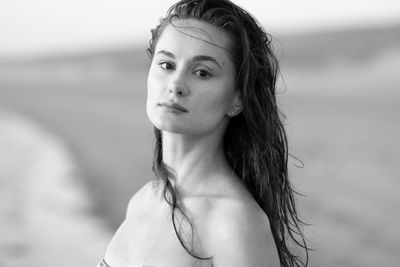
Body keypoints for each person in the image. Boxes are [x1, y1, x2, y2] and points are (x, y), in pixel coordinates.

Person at [99, 0, 309, 266]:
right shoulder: (143, 200)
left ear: (237, 99)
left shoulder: (234, 224)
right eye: (166, 65)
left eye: (201, 72)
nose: (175, 85)